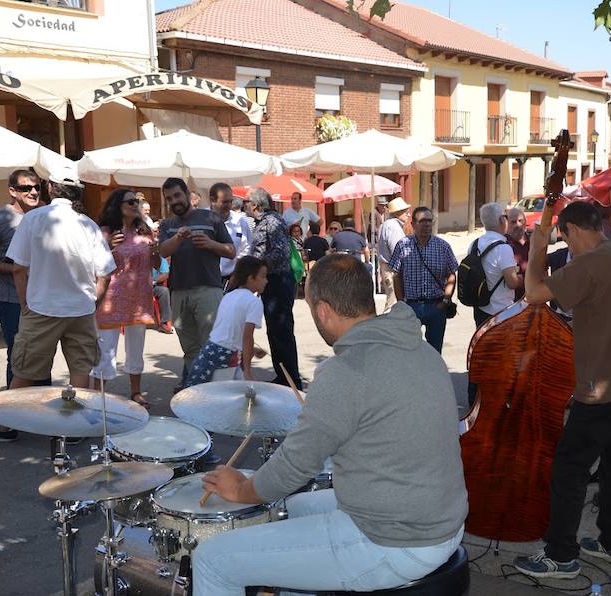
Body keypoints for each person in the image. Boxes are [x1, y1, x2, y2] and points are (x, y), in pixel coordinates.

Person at [194, 255, 467, 595]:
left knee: (211, 560)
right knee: (294, 508)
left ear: (323, 310)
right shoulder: (420, 349)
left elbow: (293, 468)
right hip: (439, 520)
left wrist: (240, 490)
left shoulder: (345, 371)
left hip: (395, 542)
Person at [514, 201, 611, 578]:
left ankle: (561, 555)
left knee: (569, 468)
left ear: (572, 229)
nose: (565, 242)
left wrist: (538, 247)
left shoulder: (590, 264)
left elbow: (534, 293)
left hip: (602, 387)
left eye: (563, 235)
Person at [0, 177, 116, 442]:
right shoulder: (88, 224)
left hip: (42, 307)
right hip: (80, 310)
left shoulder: (34, 218)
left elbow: (19, 268)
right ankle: (73, 429)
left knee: (25, 370)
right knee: (80, 369)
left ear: (50, 188)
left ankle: (4, 427)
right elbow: (105, 273)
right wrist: (91, 300)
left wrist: (26, 304)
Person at [0, 169, 48, 387]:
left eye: (37, 187)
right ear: (12, 191)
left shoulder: (45, 215)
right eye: (26, 188)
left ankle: (41, 411)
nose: (33, 192)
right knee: (19, 355)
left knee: (42, 353)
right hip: (11, 298)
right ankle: (14, 414)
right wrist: (17, 269)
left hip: (42, 297)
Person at [159, 178, 235, 385]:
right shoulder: (167, 224)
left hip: (208, 289)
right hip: (179, 292)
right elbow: (163, 251)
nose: (174, 201)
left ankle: (217, 393)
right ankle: (197, 393)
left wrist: (210, 244)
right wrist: (178, 239)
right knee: (190, 349)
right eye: (169, 198)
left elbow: (231, 251)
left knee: (212, 345)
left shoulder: (211, 218)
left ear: (187, 194)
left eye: (177, 195)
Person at [90, 189, 160, 408]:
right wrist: (108, 247)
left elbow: (156, 265)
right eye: (130, 201)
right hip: (110, 299)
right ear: (117, 206)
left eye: (137, 201)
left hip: (139, 297)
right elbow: (93, 264)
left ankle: (136, 391)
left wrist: (156, 249)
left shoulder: (145, 230)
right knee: (105, 348)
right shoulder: (105, 232)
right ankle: (98, 395)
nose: (135, 204)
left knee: (136, 347)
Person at [247, 187, 302, 390]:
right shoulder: (267, 221)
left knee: (281, 331)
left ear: (255, 205)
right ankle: (284, 376)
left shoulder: (272, 221)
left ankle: (291, 380)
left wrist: (256, 269)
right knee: (276, 332)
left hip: (278, 281)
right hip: (271, 282)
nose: (245, 206)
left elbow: (279, 252)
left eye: (247, 202)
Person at [183, 256, 267, 387]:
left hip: (210, 350)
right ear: (251, 278)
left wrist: (252, 350)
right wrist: (248, 371)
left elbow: (227, 331)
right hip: (227, 356)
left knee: (203, 393)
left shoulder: (228, 296)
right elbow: (247, 336)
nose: (266, 281)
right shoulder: (254, 302)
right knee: (224, 397)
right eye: (263, 276)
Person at [390, 206, 458, 353]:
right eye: (422, 221)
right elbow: (396, 275)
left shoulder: (443, 246)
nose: (426, 224)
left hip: (436, 306)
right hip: (411, 307)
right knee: (409, 350)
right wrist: (401, 303)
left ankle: (433, 375)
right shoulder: (403, 246)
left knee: (435, 351)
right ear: (413, 224)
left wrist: (446, 300)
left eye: (429, 221)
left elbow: (451, 274)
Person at [469, 203, 522, 327]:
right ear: (501, 220)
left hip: (480, 309)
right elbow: (512, 283)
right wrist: (522, 278)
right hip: (501, 311)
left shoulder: (474, 244)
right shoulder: (503, 248)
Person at [209, 182, 252, 287]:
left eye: (230, 201)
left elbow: (247, 250)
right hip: (206, 281)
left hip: (231, 280)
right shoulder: (201, 218)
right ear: (212, 200)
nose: (228, 206)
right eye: (224, 202)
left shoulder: (240, 221)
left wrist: (237, 274)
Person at [378, 197, 411, 310]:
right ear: (398, 213)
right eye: (406, 212)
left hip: (387, 267)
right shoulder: (393, 227)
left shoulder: (387, 225)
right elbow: (398, 252)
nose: (408, 215)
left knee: (392, 300)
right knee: (394, 303)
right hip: (393, 270)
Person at [506, 207, 530, 301]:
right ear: (507, 224)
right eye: (513, 222)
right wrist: (534, 280)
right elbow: (509, 281)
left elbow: (544, 271)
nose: (517, 225)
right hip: (512, 303)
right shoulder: (503, 246)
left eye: (520, 221)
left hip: (534, 300)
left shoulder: (534, 243)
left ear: (525, 222)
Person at [152, 255, 174, 334]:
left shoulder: (160, 259)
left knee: (164, 291)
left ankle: (164, 323)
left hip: (153, 286)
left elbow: (165, 274)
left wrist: (154, 281)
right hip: (137, 287)